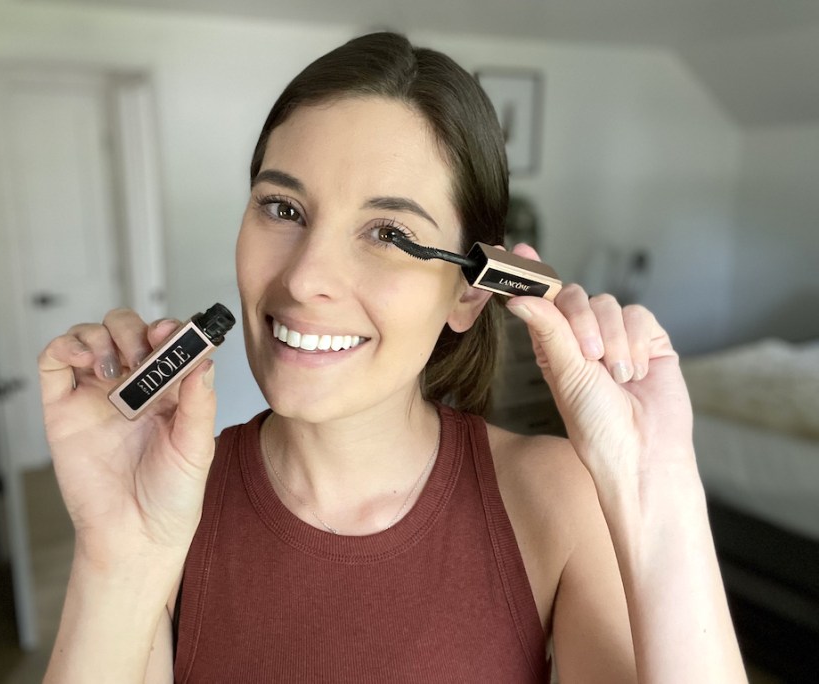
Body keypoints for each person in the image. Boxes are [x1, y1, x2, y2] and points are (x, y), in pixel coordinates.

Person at [38, 32, 746, 683]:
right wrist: (114, 553)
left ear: (469, 294)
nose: (305, 278)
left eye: (387, 232)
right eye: (283, 209)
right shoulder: (168, 506)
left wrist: (659, 484)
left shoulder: (555, 496)